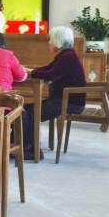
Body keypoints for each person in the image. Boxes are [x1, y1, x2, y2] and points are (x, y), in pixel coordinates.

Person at [23, 26, 86, 160]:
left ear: (58, 42)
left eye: (51, 40)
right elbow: (48, 68)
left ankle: (31, 150)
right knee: (27, 109)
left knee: (28, 112)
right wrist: (31, 71)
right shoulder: (67, 54)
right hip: (64, 99)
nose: (49, 43)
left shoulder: (67, 57)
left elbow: (50, 74)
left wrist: (31, 72)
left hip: (68, 102)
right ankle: (25, 145)